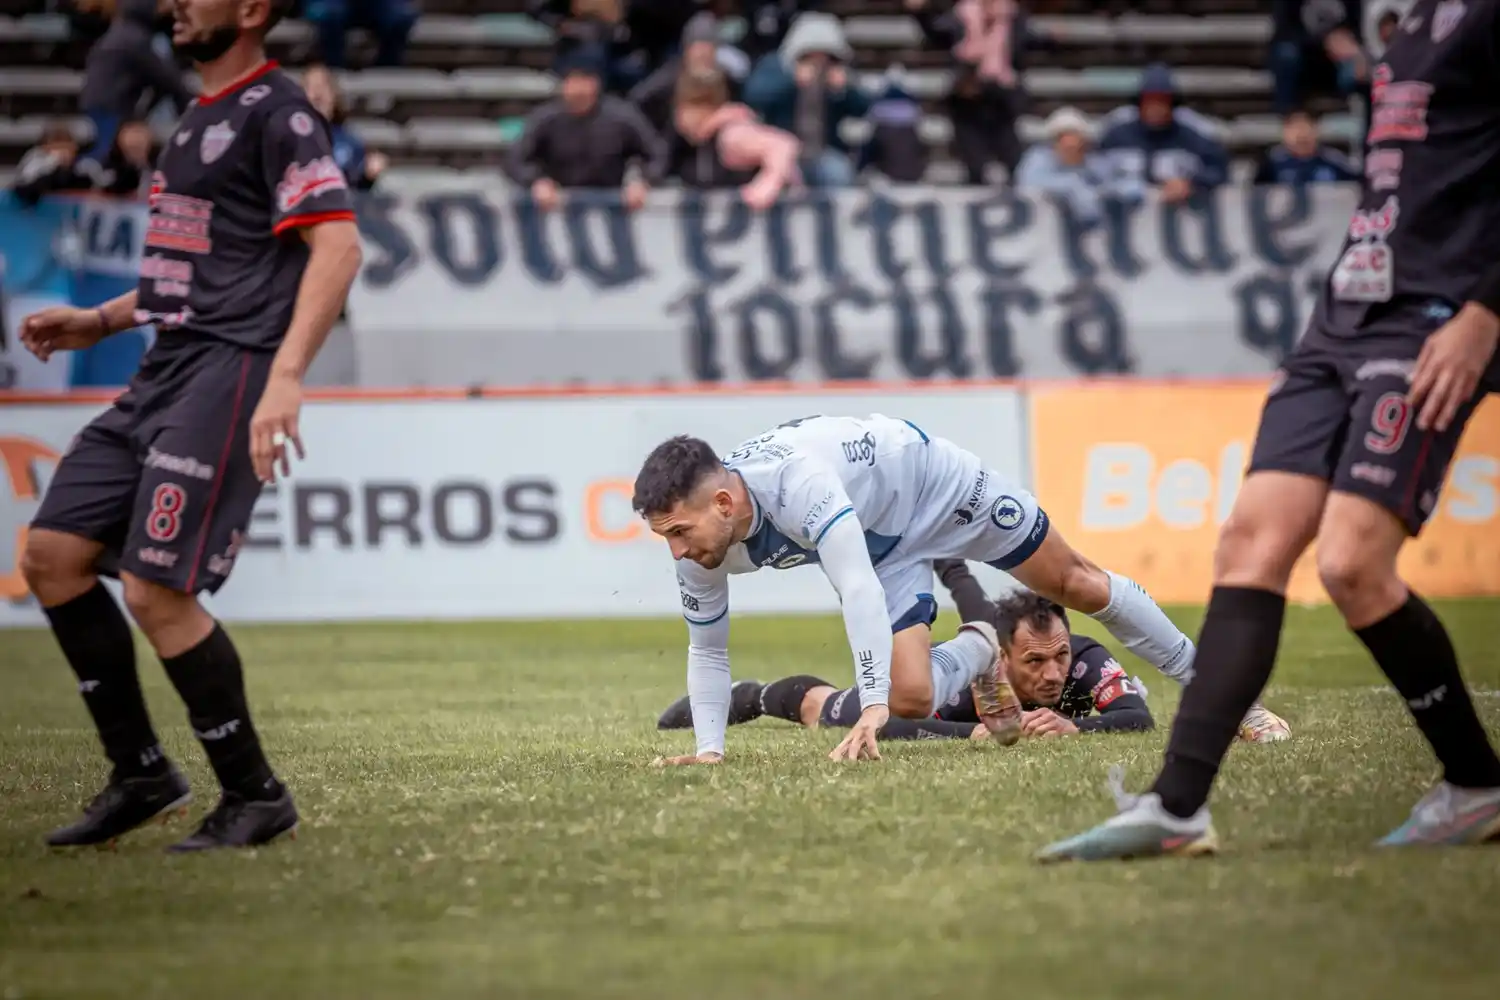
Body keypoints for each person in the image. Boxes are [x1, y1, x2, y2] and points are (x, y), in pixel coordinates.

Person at [1040, 0, 1500, 861]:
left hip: (1434, 314)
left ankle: (1475, 784)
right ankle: (1176, 808)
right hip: (1344, 315)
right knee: (1247, 545)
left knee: (1352, 564)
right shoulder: (1404, 25)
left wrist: (1485, 311)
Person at [17, 0, 363, 853]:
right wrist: (99, 320)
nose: (175, 3)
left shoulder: (280, 112)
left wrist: (285, 379)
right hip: (164, 367)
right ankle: (139, 773)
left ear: (249, 11)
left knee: (153, 589)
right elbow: (193, 276)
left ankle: (254, 795)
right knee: (51, 557)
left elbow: (339, 247)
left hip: (234, 369)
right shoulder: (192, 118)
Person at [631, 416, 1290, 768]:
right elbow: (708, 649)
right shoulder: (700, 541)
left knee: (1078, 584)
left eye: (681, 532)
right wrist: (710, 752)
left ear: (723, 501)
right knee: (913, 697)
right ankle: (979, 645)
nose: (679, 552)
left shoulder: (798, 483)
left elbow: (853, 586)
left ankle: (1236, 704)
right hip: (878, 541)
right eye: (667, 538)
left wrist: (868, 706)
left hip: (937, 491)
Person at [656, 562, 1156, 742]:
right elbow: (889, 725)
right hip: (927, 680)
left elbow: (1138, 716)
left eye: (1060, 656)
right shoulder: (961, 684)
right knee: (821, 708)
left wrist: (1076, 726)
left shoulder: (1083, 660)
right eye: (1035, 661)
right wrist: (970, 734)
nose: (1054, 673)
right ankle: (754, 695)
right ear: (1000, 657)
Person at [507, 48, 669, 213]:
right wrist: (536, 181)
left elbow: (658, 154)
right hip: (557, 206)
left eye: (585, 80)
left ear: (597, 83)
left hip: (614, 206)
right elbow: (515, 159)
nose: (579, 89)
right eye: (573, 80)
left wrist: (643, 181)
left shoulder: (622, 115)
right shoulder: (545, 117)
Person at [1098, 63, 1229, 206]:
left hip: (1180, 219)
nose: (1156, 108)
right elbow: (1093, 168)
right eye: (1149, 101)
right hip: (1123, 220)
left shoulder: (1193, 133)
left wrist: (1191, 183)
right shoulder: (1116, 131)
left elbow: (1219, 170)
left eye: (1162, 101)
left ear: (1172, 104)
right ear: (1139, 103)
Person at [669, 68, 800, 207]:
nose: (680, 115)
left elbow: (783, 145)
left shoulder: (731, 135)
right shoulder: (688, 140)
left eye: (691, 106)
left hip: (778, 216)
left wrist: (769, 183)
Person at [302, 63, 387, 190]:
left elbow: (358, 187)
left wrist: (368, 176)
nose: (318, 93)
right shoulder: (286, 138)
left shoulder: (349, 142)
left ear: (334, 96)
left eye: (323, 86)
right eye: (311, 87)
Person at [1253, 109, 1360, 186]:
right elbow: (1255, 192)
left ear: (1316, 130)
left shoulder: (1334, 161)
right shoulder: (1271, 163)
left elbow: (1356, 186)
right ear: (1285, 132)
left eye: (1305, 127)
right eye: (1295, 128)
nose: (1301, 134)